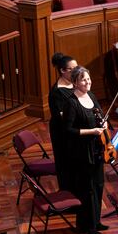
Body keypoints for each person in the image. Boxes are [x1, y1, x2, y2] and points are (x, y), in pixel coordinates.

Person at [63, 66, 108, 234]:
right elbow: (68, 130)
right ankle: (86, 225)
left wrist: (103, 124)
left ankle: (96, 221)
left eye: (88, 79)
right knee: (87, 189)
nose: (87, 82)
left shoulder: (92, 96)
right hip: (81, 152)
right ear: (75, 82)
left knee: (98, 185)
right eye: (83, 79)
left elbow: (99, 116)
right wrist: (92, 131)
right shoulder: (71, 103)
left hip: (97, 148)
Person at [49, 52, 77, 190]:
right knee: (66, 163)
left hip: (73, 129)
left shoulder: (74, 84)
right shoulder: (57, 93)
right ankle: (68, 195)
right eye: (72, 69)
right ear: (62, 71)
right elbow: (63, 117)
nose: (76, 72)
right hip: (62, 133)